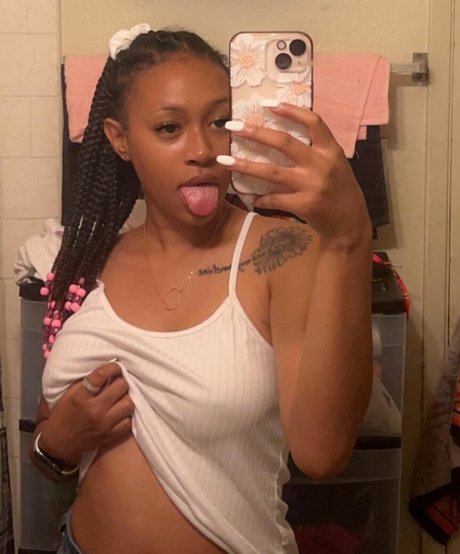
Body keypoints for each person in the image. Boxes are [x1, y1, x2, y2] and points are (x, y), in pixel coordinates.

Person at [31, 23, 374, 554]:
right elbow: (50, 425)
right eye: (169, 128)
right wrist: (56, 445)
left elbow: (322, 454)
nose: (202, 149)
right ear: (120, 139)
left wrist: (349, 236)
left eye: (219, 122)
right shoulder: (93, 256)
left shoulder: (281, 253)